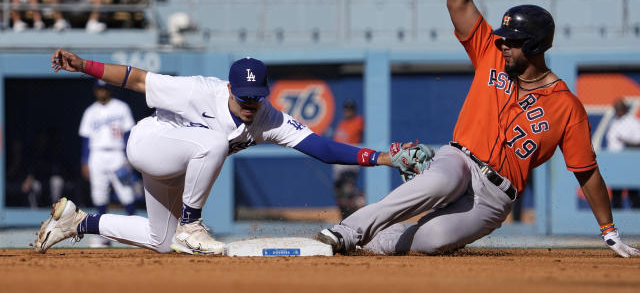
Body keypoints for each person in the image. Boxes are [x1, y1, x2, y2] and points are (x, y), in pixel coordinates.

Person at [317, 0, 640, 258]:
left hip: (496, 198)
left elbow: (587, 172)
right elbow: (459, 1)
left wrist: (609, 232)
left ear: (534, 47)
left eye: (512, 42)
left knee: (430, 242)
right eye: (502, 39)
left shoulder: (566, 107)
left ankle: (371, 241)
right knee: (442, 179)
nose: (502, 45)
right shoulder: (490, 53)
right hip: (460, 159)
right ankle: (347, 230)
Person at [35, 52, 430, 255]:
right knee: (214, 142)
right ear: (228, 88)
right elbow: (136, 78)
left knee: (159, 239)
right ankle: (192, 224)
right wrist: (83, 65)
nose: (250, 105)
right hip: (149, 144)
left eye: (257, 98)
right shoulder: (198, 90)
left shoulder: (268, 116)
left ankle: (78, 222)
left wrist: (382, 157)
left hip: (176, 168)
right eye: (244, 97)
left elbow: (320, 148)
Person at [79, 80, 137, 247]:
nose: (101, 92)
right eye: (99, 89)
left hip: (117, 153)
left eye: (104, 89)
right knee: (99, 193)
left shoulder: (121, 107)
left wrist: (129, 156)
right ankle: (103, 235)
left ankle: (135, 234)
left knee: (126, 192)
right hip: (96, 154)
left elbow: (128, 134)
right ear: (95, 90)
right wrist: (84, 161)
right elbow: (86, 139)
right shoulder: (90, 112)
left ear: (109, 90)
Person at [332, 99, 365, 218]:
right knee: (339, 194)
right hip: (338, 164)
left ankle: (357, 205)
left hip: (350, 161)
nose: (348, 111)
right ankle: (344, 220)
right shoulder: (342, 124)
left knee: (348, 193)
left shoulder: (358, 122)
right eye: (346, 108)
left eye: (351, 109)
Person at [606, 98, 640, 209]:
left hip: (628, 161)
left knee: (632, 192)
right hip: (614, 162)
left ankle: (636, 219)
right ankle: (616, 220)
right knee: (616, 192)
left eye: (620, 108)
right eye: (616, 108)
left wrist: (626, 143)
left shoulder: (633, 122)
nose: (618, 110)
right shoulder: (615, 120)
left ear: (625, 108)